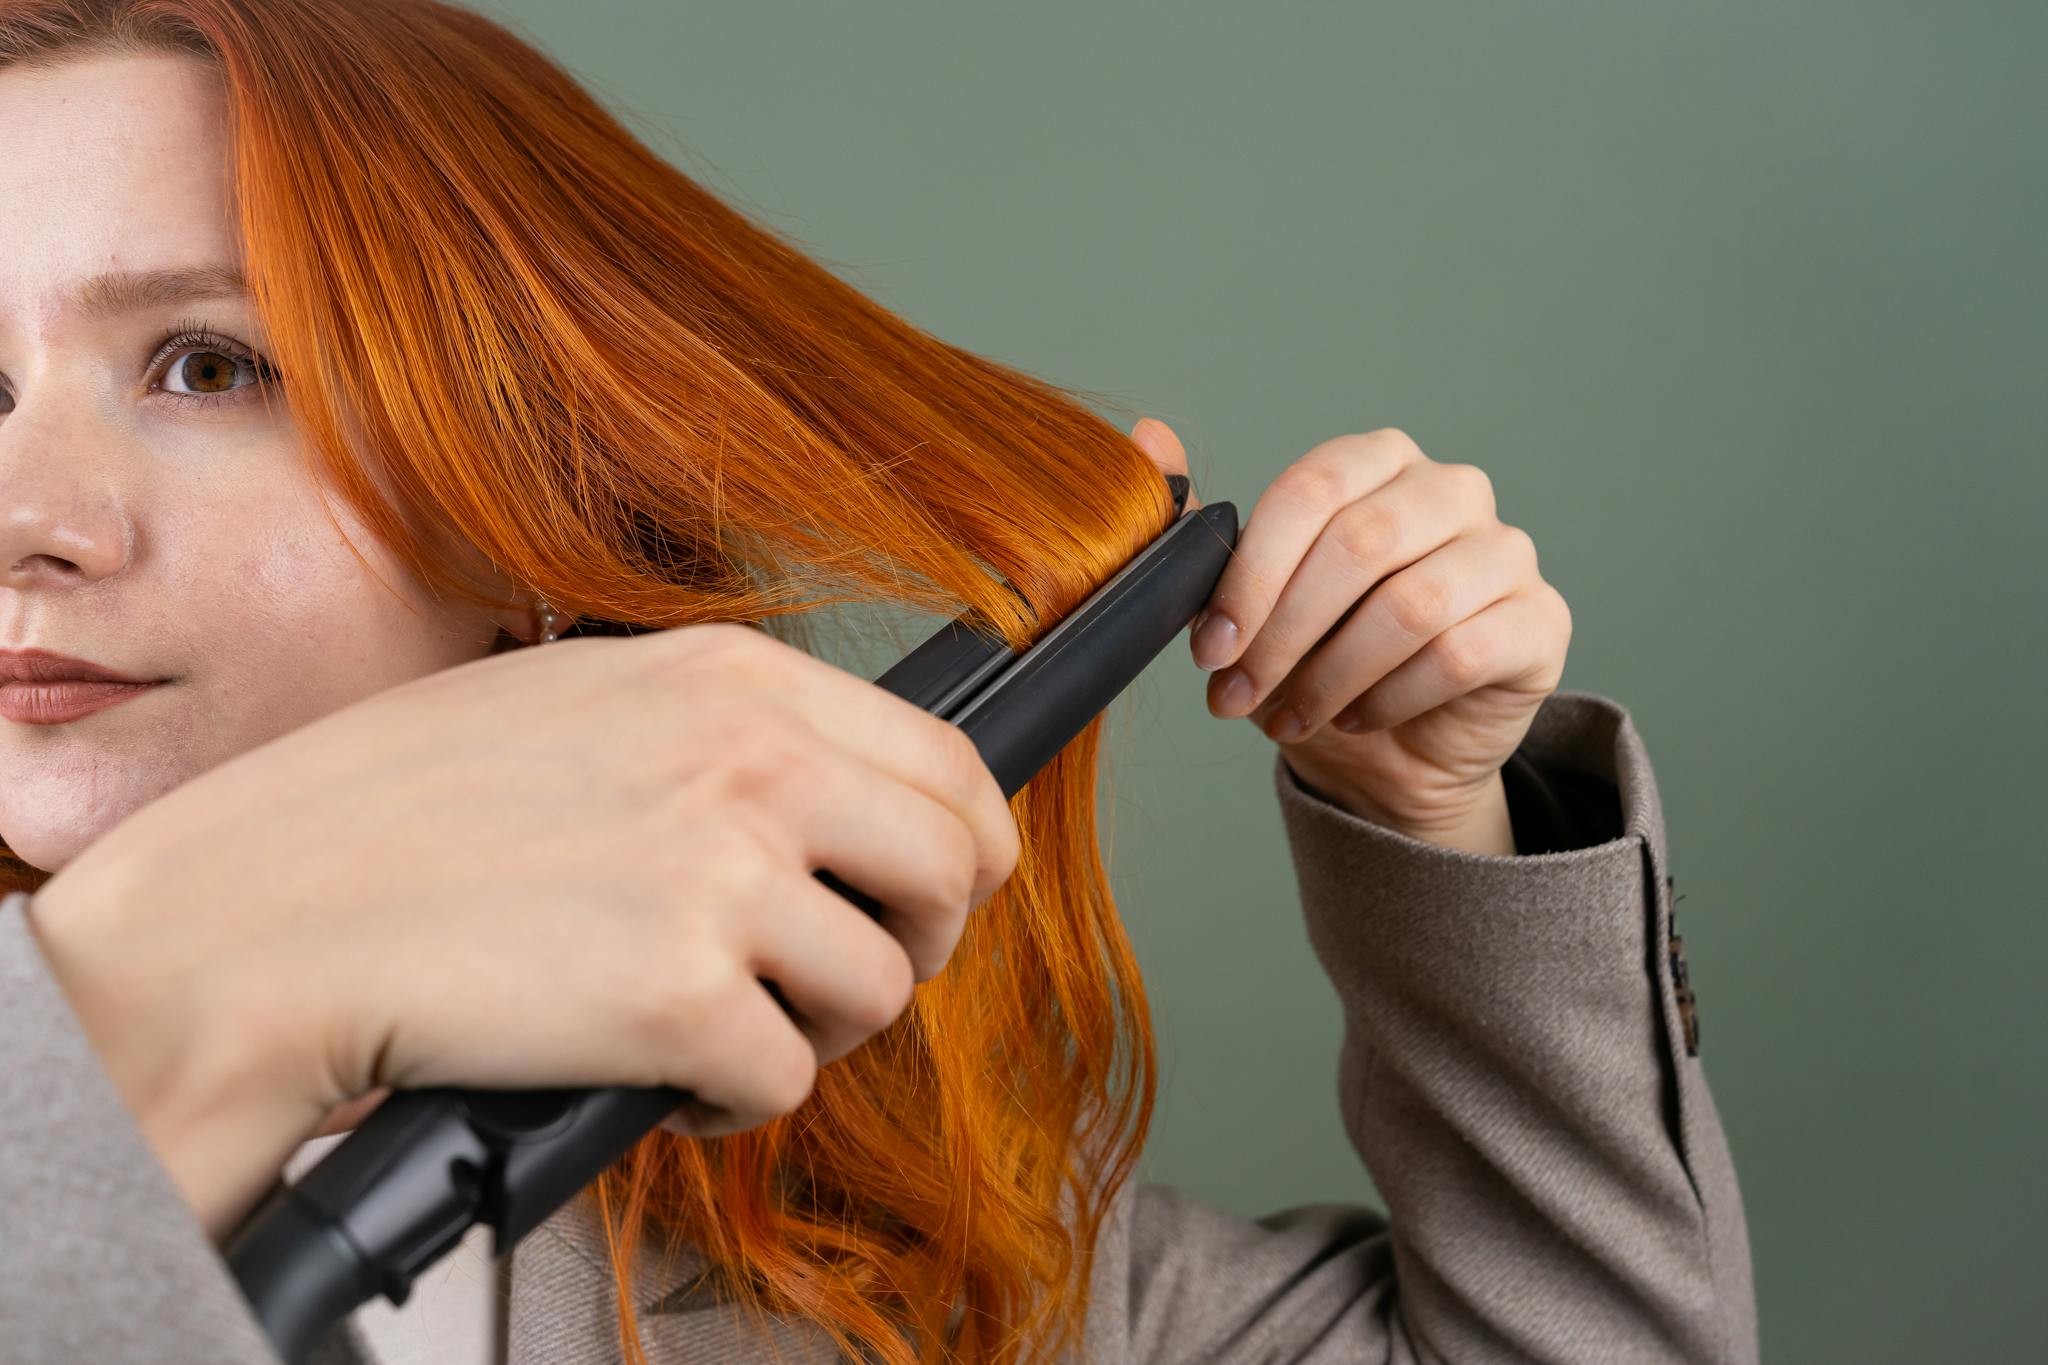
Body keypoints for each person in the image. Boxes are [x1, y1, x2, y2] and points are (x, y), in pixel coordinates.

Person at [0, 1, 1757, 1362]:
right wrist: (157, 1005)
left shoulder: (898, 1291)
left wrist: (1434, 816)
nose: (27, 518)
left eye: (209, 362)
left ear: (528, 513)